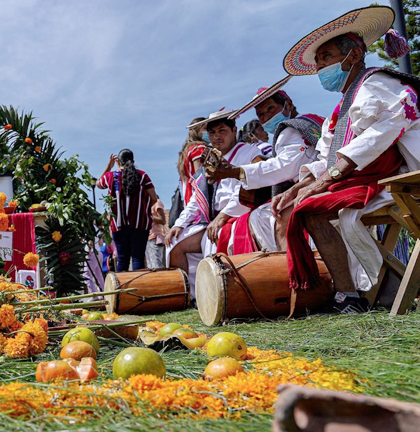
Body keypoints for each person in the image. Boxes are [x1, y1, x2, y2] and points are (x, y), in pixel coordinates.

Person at [279, 6, 420, 313]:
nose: (320, 68)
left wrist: (331, 175)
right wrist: (301, 184)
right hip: (378, 177)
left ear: (353, 56)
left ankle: (377, 287)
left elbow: (384, 131)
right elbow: (326, 155)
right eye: (317, 62)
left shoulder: (377, 83)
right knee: (307, 207)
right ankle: (349, 295)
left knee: (313, 208)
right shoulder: (343, 105)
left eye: (326, 57)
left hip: (407, 174)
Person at [206, 83, 323, 251]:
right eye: (261, 114)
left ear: (288, 104)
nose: (267, 116)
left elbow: (285, 167)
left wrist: (236, 172)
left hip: (316, 186)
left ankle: (293, 268)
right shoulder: (306, 123)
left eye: (270, 109)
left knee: (262, 217)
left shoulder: (289, 130)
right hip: (306, 185)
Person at [166, 110, 264, 294]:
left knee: (217, 235)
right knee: (175, 241)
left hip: (241, 212)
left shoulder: (250, 152)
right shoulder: (211, 159)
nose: (217, 137)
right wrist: (180, 223)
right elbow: (198, 196)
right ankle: (189, 296)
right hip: (216, 217)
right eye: (212, 133)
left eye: (222, 131)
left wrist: (222, 217)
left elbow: (250, 188)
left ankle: (221, 295)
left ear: (234, 130)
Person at [96, 149, 159, 271]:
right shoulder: (142, 176)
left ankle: (123, 289)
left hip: (119, 225)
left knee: (123, 259)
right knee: (138, 259)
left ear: (118, 162)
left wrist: (109, 167)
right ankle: (139, 288)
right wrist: (145, 210)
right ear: (133, 161)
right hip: (140, 224)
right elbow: (154, 198)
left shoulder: (111, 176)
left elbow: (98, 183)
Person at [146, 199, 167, 268]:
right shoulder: (145, 203)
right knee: (150, 266)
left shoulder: (157, 203)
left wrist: (148, 216)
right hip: (147, 238)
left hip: (155, 238)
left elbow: (162, 220)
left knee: (156, 265)